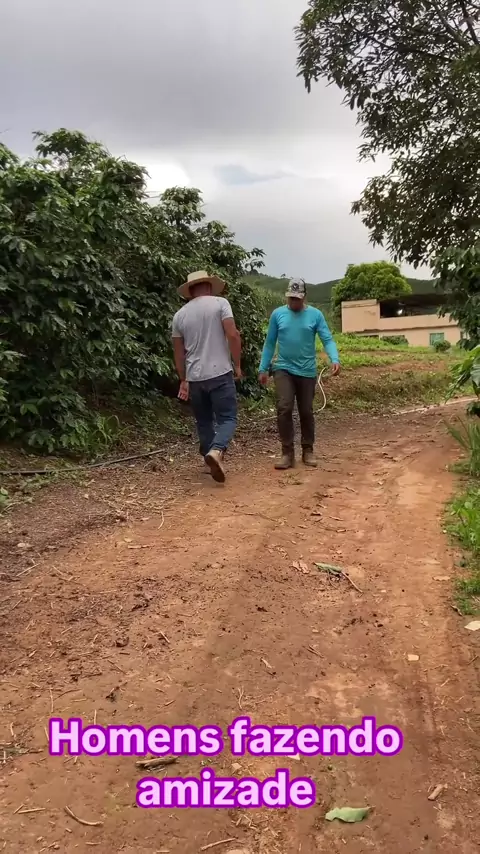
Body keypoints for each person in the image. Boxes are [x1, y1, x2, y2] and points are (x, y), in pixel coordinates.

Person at [258, 277, 340, 470]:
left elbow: (327, 339)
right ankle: (287, 453)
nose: (294, 302)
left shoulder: (315, 315)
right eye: (291, 298)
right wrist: (263, 368)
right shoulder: (278, 314)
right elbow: (270, 343)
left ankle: (307, 449)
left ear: (304, 297)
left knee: (306, 411)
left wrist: (334, 358)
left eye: (297, 298)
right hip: (283, 368)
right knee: (284, 407)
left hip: (307, 370)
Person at [171, 270, 242, 483]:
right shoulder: (220, 303)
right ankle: (217, 450)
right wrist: (237, 364)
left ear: (191, 290)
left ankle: (209, 459)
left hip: (195, 377)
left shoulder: (179, 315)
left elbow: (178, 353)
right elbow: (232, 334)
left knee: (203, 421)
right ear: (209, 286)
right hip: (220, 373)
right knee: (227, 418)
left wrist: (183, 379)